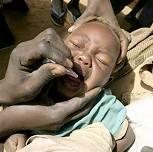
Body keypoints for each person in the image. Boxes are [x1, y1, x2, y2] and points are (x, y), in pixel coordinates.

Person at [0, 19, 135, 152]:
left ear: (108, 80)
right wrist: (17, 131)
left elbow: (127, 136)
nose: (84, 57)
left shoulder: (101, 106)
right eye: (76, 45)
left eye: (101, 60)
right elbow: (9, 106)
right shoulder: (36, 75)